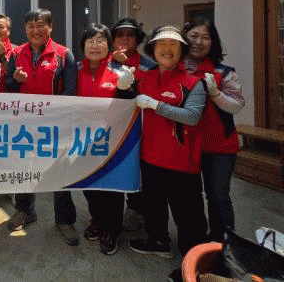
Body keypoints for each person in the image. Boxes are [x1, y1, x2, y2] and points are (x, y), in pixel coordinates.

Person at [128, 26, 208, 282]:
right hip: (149, 157)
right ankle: (159, 241)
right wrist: (124, 83)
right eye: (161, 44)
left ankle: (195, 267)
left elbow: (192, 117)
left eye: (173, 45)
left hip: (181, 163)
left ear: (182, 51)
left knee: (189, 218)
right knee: (153, 206)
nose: (166, 49)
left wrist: (156, 105)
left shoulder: (194, 83)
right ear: (152, 49)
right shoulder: (146, 78)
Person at [5, 9, 80, 246]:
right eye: (30, 26)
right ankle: (25, 210)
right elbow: (7, 86)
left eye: (40, 25)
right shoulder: (16, 53)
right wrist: (15, 81)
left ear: (50, 27)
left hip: (54, 126)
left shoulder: (64, 54)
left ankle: (64, 220)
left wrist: (52, 115)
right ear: (25, 29)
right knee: (24, 167)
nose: (35, 30)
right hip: (24, 125)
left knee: (59, 170)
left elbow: (71, 91)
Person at [183, 18, 245, 243]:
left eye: (205, 37)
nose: (198, 42)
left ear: (213, 42)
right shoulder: (176, 69)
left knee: (218, 196)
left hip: (220, 146)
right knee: (190, 197)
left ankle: (225, 245)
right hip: (187, 145)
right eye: (193, 36)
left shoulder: (224, 72)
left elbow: (237, 105)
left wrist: (216, 94)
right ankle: (197, 244)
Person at [77, 24, 135, 256]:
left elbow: (131, 105)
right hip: (83, 140)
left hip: (113, 141)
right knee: (89, 184)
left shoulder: (121, 71)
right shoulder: (75, 70)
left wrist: (125, 89)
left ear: (108, 45)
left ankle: (112, 228)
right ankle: (97, 219)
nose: (95, 45)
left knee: (111, 187)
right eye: (90, 40)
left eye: (100, 40)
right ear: (83, 46)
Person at [109, 17, 156, 231]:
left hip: (143, 130)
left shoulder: (150, 65)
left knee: (140, 173)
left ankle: (136, 209)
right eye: (120, 35)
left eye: (130, 35)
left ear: (138, 39)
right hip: (113, 130)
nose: (125, 39)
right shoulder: (106, 63)